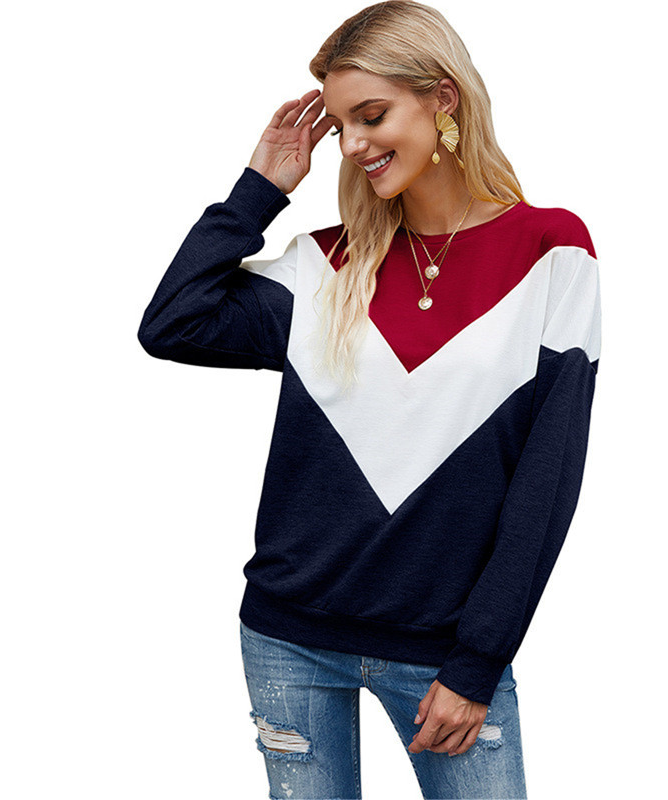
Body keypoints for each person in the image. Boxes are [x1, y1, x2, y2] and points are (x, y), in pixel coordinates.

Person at [137, 1, 601, 797]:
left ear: (443, 98)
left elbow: (547, 478)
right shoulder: (322, 266)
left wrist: (479, 661)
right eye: (342, 123)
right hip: (287, 639)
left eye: (372, 115)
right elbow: (173, 323)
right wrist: (259, 189)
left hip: (445, 656)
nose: (351, 144)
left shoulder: (551, 253)